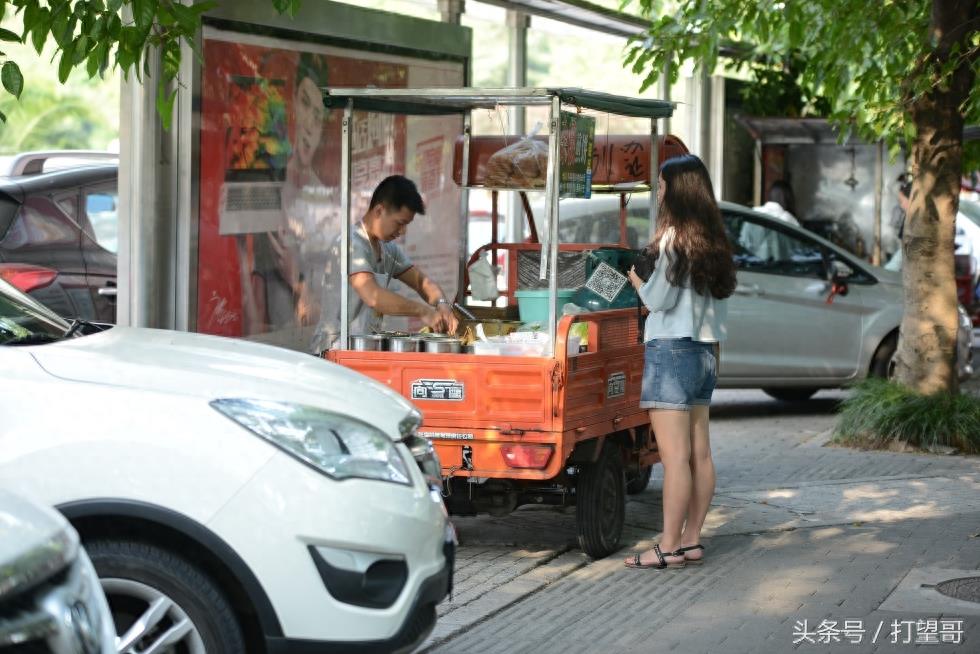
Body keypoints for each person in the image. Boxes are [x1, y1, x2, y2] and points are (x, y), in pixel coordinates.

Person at [623, 154, 737, 570]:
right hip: (705, 353)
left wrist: (638, 280)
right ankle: (691, 540)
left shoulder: (673, 239)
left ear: (676, 190)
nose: (657, 192)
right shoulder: (714, 240)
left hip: (671, 351)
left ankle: (667, 547)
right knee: (700, 454)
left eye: (661, 185)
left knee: (674, 459)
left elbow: (658, 300)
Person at [311, 175, 459, 352]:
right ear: (379, 211)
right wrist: (423, 311)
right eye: (400, 223)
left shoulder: (388, 249)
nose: (402, 231)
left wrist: (442, 304)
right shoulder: (351, 244)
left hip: (363, 350)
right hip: (334, 350)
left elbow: (422, 283)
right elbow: (373, 296)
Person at [739, 179, 800, 262]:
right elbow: (798, 253)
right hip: (779, 271)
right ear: (789, 198)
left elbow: (743, 244)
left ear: (770, 196)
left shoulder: (752, 214)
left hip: (751, 268)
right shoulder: (790, 220)